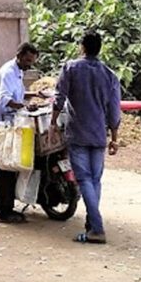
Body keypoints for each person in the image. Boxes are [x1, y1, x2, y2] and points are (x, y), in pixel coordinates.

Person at [49, 31, 121, 244]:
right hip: (99, 134)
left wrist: (53, 123)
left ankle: (97, 228)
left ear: (82, 47)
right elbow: (114, 110)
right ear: (99, 49)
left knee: (84, 180)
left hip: (78, 132)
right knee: (95, 180)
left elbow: (59, 98)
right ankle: (91, 225)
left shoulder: (70, 68)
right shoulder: (109, 74)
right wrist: (114, 137)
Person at [0, 42, 40, 224]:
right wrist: (24, 106)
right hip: (2, 126)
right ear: (19, 56)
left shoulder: (18, 72)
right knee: (4, 169)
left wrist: (35, 94)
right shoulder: (8, 71)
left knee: (11, 167)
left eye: (31, 62)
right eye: (27, 61)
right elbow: (5, 99)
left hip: (11, 125)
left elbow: (17, 94)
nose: (29, 65)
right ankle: (4, 211)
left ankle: (8, 206)